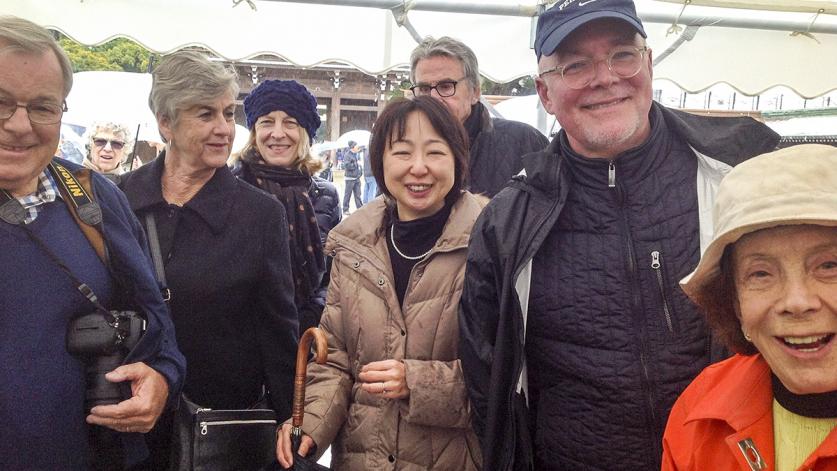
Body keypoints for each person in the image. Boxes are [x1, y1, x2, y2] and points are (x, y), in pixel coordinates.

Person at [458, 1, 782, 469]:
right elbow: (489, 382)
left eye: (622, 55)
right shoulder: (507, 223)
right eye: (575, 64)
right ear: (544, 93)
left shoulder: (743, 172)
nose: (605, 77)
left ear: (648, 64)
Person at [0, 15, 185, 470]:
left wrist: (162, 376)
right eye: (1, 102)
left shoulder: (91, 195)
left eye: (42, 107)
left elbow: (157, 319)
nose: (20, 126)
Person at [276, 96, 484, 470]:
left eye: (435, 153)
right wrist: (311, 424)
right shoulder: (354, 245)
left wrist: (418, 382)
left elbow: (503, 374)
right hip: (364, 456)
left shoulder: (488, 245)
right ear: (380, 163)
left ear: (457, 160)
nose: (418, 169)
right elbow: (336, 359)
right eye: (402, 153)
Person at [118, 51, 299, 469]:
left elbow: (279, 329)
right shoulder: (118, 200)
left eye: (228, 112)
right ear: (166, 122)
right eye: (205, 114)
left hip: (218, 431)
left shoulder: (260, 214)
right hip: (130, 431)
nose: (224, 129)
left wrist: (290, 416)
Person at [662, 144, 837, 471]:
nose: (796, 302)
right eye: (761, 274)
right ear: (735, 305)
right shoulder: (701, 410)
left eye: (829, 266)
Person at [233, 79, 340, 333]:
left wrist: (311, 314)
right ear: (254, 131)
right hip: (240, 338)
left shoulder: (325, 195)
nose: (278, 133)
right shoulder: (230, 188)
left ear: (305, 133)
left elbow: (335, 276)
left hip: (306, 339)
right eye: (267, 122)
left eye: (290, 123)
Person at [409, 36, 548, 197]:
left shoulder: (524, 142)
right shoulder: (399, 149)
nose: (433, 97)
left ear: (475, 92)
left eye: (446, 87)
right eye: (424, 89)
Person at [342, 139, 363, 213]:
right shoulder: (347, 155)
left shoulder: (356, 155)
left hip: (356, 178)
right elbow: (346, 166)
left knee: (358, 194)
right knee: (348, 194)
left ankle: (360, 208)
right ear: (353, 147)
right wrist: (355, 164)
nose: (358, 147)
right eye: (356, 146)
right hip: (350, 178)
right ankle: (345, 209)